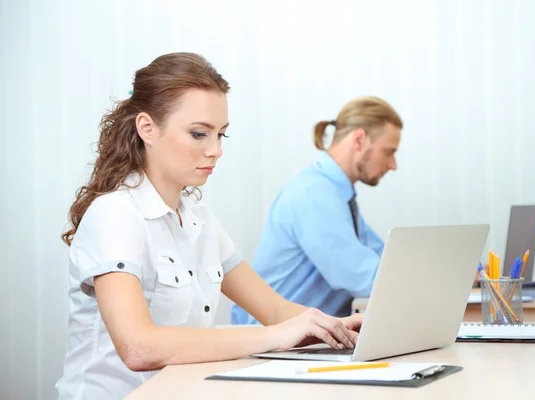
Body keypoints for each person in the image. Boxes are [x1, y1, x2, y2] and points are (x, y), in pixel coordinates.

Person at [55, 52, 362, 399]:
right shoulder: (114, 215)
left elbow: (276, 311)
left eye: (221, 135)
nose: (215, 150)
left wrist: (339, 329)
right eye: (199, 134)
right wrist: (277, 336)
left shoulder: (199, 220)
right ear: (147, 129)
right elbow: (139, 347)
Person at [231, 97, 403, 325]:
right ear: (359, 140)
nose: (393, 164)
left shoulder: (337, 194)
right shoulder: (313, 194)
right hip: (271, 340)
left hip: (301, 336)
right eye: (388, 152)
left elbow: (385, 259)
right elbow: (363, 277)